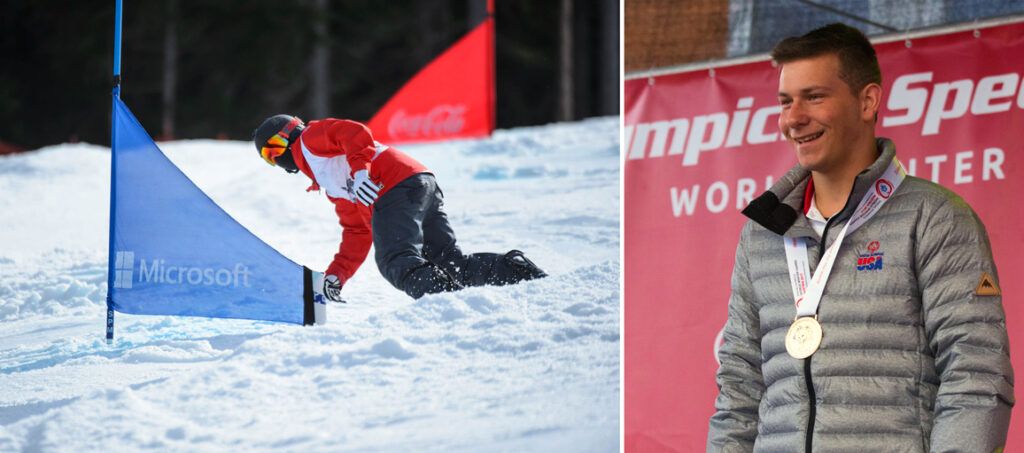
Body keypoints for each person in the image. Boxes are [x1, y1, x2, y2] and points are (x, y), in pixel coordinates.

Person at [707, 23, 1013, 452]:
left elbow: (976, 377)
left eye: (814, 97)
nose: (793, 118)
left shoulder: (935, 218)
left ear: (867, 101)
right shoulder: (762, 234)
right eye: (785, 102)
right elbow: (739, 389)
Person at [252, 115, 546, 300]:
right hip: (420, 182)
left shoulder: (310, 139)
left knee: (396, 260)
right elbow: (357, 231)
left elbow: (353, 133)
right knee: (446, 260)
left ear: (287, 138)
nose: (276, 161)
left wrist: (362, 170)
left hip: (394, 184)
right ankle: (515, 271)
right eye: (268, 158)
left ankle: (447, 305)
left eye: (273, 151)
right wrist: (336, 275)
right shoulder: (330, 181)